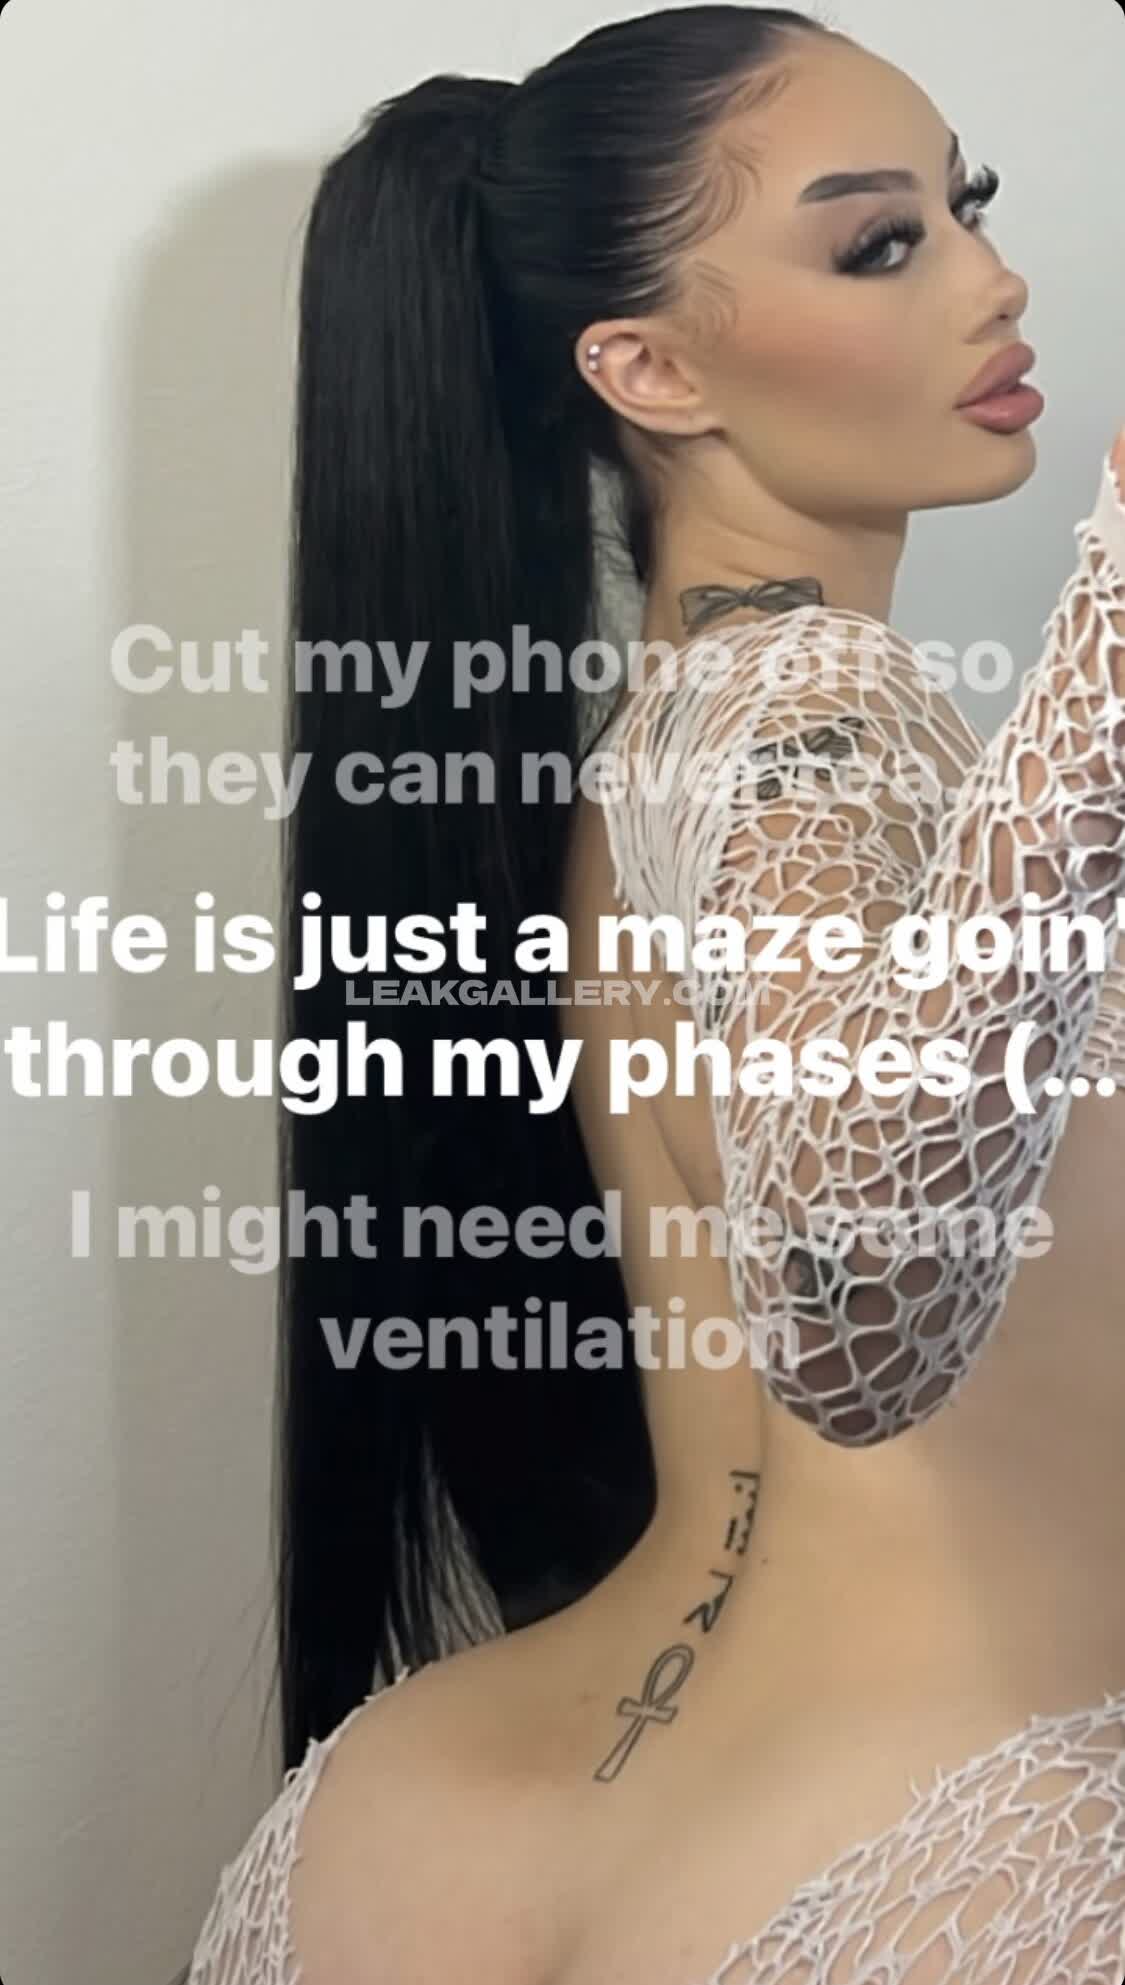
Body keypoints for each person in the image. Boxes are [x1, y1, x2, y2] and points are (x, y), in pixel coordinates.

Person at [186, 8, 1125, 1981]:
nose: (991, 279)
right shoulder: (807, 703)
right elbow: (859, 1298)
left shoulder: (657, 747)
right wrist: (1105, 671)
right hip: (954, 1833)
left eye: (963, 207)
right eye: (878, 243)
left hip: (468, 1811)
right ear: (646, 369)